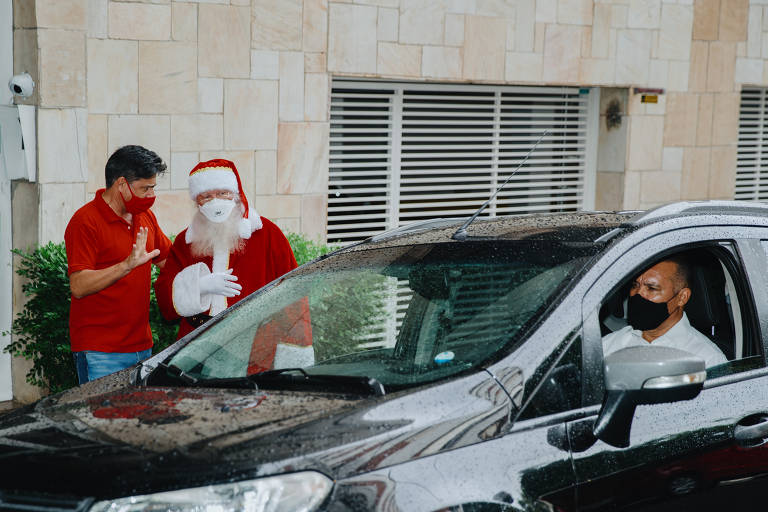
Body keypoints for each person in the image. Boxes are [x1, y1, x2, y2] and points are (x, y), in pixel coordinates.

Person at [154, 159, 312, 372]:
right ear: (197, 203)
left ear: (236, 195)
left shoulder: (267, 235)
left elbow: (293, 291)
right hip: (196, 344)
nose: (215, 202)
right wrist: (198, 286)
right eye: (206, 196)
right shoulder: (186, 241)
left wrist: (295, 351)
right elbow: (164, 294)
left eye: (222, 193)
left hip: (253, 347)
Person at [65, 145, 171, 384]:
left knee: (133, 420)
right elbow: (79, 285)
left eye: (153, 188)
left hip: (143, 348)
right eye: (145, 188)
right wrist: (126, 265)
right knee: (102, 420)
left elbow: (169, 262)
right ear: (122, 184)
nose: (151, 195)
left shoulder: (145, 217)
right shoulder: (85, 221)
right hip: (100, 352)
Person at [602, 256, 727, 368]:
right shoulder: (608, 346)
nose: (638, 294)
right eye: (635, 285)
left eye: (652, 288)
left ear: (682, 297)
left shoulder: (707, 360)